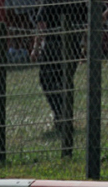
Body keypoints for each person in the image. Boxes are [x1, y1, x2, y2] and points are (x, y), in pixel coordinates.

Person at [30, 0, 85, 133]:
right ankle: (64, 116)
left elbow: (41, 26)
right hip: (73, 46)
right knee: (65, 82)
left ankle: (60, 113)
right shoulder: (78, 3)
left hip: (54, 46)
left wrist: (36, 48)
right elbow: (86, 23)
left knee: (46, 80)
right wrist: (84, 46)